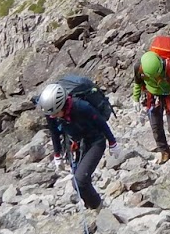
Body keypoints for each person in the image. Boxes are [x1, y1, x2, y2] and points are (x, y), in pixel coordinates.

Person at [37, 78, 116, 208]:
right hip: (79, 143)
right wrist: (57, 155)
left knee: (80, 181)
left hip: (96, 141)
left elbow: (101, 123)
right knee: (78, 183)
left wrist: (112, 143)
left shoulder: (81, 106)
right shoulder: (51, 112)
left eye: (56, 113)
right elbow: (54, 132)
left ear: (61, 105)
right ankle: (94, 207)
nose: (53, 117)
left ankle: (98, 208)